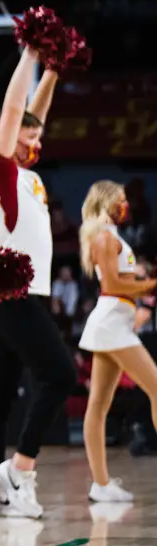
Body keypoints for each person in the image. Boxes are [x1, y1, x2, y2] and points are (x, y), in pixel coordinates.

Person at [0, 51, 76, 519]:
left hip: (23, 293)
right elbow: (16, 110)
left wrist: (52, 69)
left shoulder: (30, 177)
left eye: (38, 137)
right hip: (6, 292)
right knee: (60, 375)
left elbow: (34, 111)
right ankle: (20, 470)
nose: (36, 141)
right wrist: (30, 55)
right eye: (28, 136)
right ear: (8, 134)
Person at [77, 181, 157, 502]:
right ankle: (100, 483)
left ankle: (101, 484)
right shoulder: (104, 237)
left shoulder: (111, 236)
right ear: (107, 202)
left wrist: (145, 282)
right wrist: (150, 286)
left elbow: (123, 281)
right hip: (112, 321)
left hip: (116, 320)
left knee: (98, 405)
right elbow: (112, 284)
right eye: (121, 200)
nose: (126, 205)